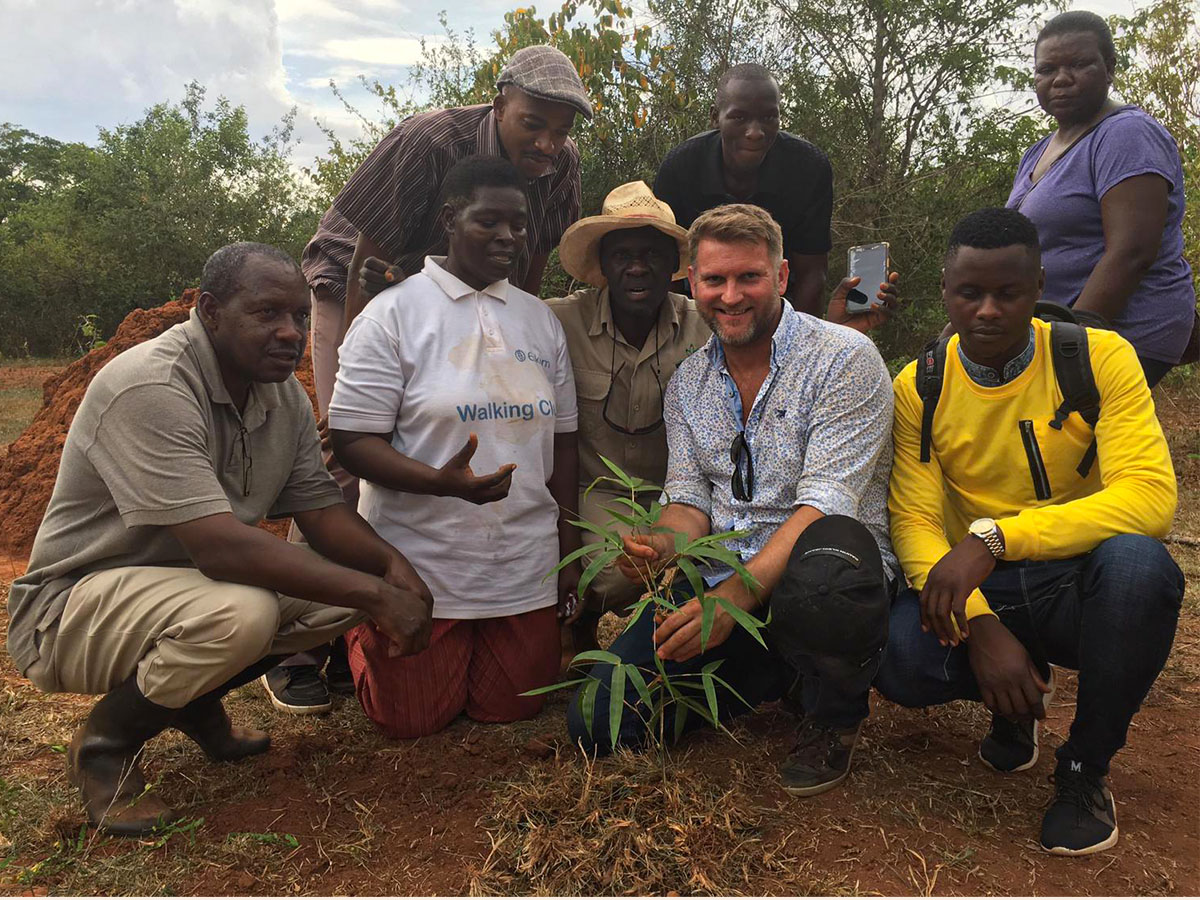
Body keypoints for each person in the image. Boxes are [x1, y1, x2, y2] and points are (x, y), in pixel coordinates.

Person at [5, 243, 434, 837]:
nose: (291, 333)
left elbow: (319, 510)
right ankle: (104, 745)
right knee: (244, 612)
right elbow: (221, 548)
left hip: (176, 594)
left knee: (337, 597)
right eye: (266, 315)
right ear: (209, 310)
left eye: (300, 317)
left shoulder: (279, 394)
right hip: (70, 609)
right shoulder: (151, 385)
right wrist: (377, 594)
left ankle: (188, 700)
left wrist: (391, 567)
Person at [269, 45, 592, 713]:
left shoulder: (559, 170)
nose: (547, 142)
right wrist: (369, 354)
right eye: (534, 123)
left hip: (473, 284)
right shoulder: (429, 139)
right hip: (362, 282)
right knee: (346, 456)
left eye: (561, 131)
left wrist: (512, 333)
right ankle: (304, 644)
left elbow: (525, 272)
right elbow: (370, 255)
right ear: (500, 103)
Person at [878, 207, 1183, 856]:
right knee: (901, 656)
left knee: (1140, 572)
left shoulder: (1097, 359)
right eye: (970, 292)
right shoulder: (922, 386)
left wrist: (994, 540)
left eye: (1008, 292)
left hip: (1074, 578)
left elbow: (1150, 499)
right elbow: (913, 517)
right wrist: (982, 625)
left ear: (1039, 285)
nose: (987, 310)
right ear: (944, 291)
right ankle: (1013, 709)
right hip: (986, 591)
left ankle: (1085, 770)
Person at [566, 204, 899, 798]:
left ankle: (833, 716)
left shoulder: (843, 357)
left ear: (782, 277)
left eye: (749, 277)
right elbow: (690, 500)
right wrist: (660, 545)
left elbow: (828, 501)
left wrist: (734, 599)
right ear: (691, 284)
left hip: (820, 567)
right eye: (714, 280)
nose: (731, 295)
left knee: (825, 575)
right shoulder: (690, 381)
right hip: (724, 572)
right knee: (599, 724)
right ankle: (774, 669)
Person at [327, 156, 580, 739]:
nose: (508, 238)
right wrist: (439, 482)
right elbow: (351, 439)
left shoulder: (540, 322)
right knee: (413, 720)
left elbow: (563, 447)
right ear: (449, 218)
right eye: (489, 222)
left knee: (510, 708)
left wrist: (569, 550)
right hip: (422, 561)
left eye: (518, 225)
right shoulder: (393, 315)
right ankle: (362, 633)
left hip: (521, 563)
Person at [544, 181, 712, 657]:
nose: (637, 267)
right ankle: (582, 620)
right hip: (594, 493)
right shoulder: (556, 322)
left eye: (651, 254)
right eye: (622, 254)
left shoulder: (707, 325)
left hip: (682, 496)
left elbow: (780, 342)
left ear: (672, 266)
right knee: (611, 572)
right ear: (603, 264)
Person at [1006, 10, 1197, 387]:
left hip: (1122, 332)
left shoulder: (1126, 134)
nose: (1061, 79)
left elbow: (1131, 254)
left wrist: (1068, 345)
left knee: (1064, 442)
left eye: (1079, 64)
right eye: (1046, 69)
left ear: (1109, 68)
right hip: (1055, 331)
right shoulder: (1038, 152)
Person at [653, 64, 833, 316]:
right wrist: (684, 334)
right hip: (701, 303)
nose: (755, 132)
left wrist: (797, 344)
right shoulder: (681, 168)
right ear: (715, 117)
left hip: (780, 303)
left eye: (769, 117)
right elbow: (669, 268)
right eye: (739, 117)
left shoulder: (808, 168)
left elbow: (812, 271)